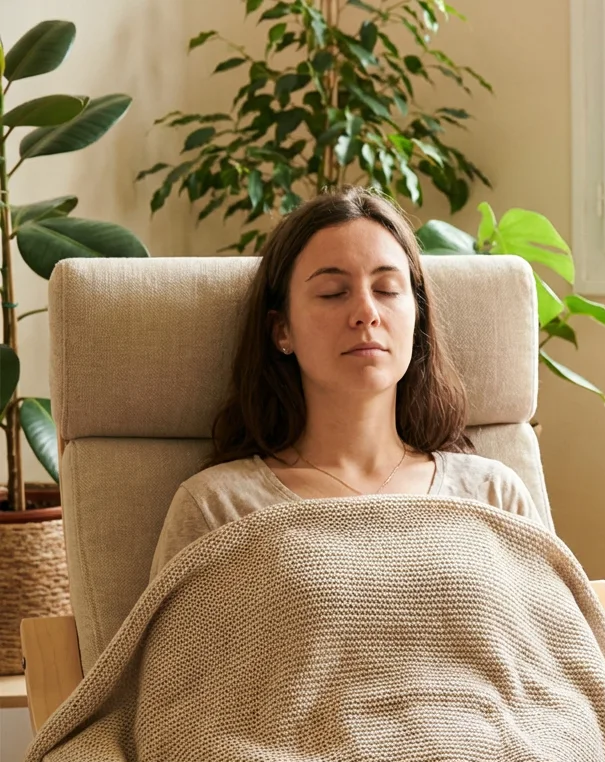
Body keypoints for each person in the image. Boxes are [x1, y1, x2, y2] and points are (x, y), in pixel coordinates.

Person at [151, 187, 544, 577]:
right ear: (281, 329)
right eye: (333, 293)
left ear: (417, 317)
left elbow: (563, 636)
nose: (366, 313)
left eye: (387, 290)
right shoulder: (217, 508)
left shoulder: (494, 494)